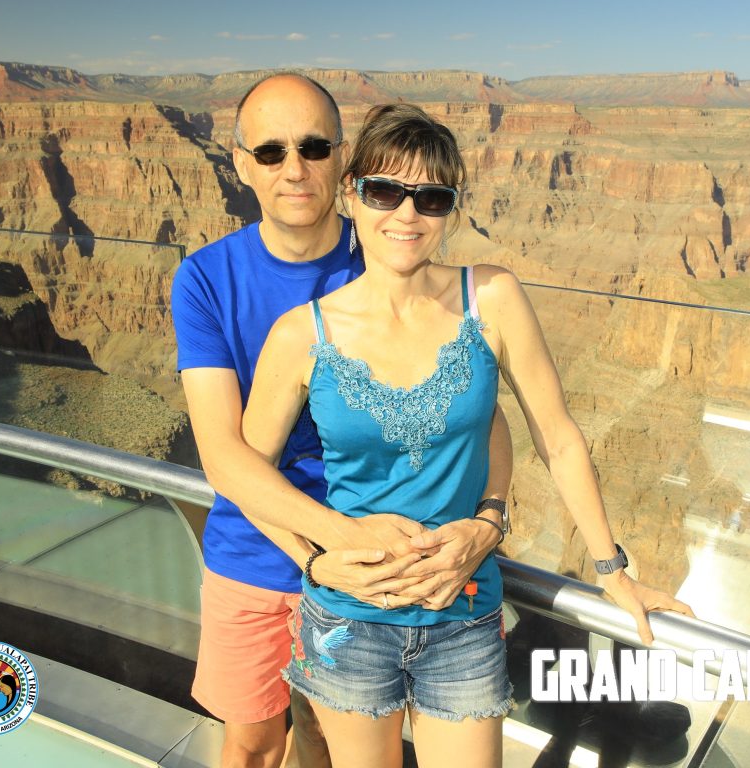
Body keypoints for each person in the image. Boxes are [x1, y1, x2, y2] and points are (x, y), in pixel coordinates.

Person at [241, 103, 695, 768]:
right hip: (347, 622)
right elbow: (245, 473)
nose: (407, 215)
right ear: (351, 194)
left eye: (431, 197)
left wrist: (612, 572)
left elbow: (558, 438)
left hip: (464, 614)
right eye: (385, 191)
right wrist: (311, 558)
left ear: (451, 209)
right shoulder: (300, 334)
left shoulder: (492, 298)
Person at [171, 75, 512, 768]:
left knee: (328, 747)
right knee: (254, 745)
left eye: (314, 148)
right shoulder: (205, 279)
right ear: (240, 163)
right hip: (258, 551)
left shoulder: (390, 242)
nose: (294, 169)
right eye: (270, 152)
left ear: (342, 162)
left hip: (387, 572)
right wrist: (327, 551)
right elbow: (224, 455)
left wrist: (491, 515)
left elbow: (480, 408)